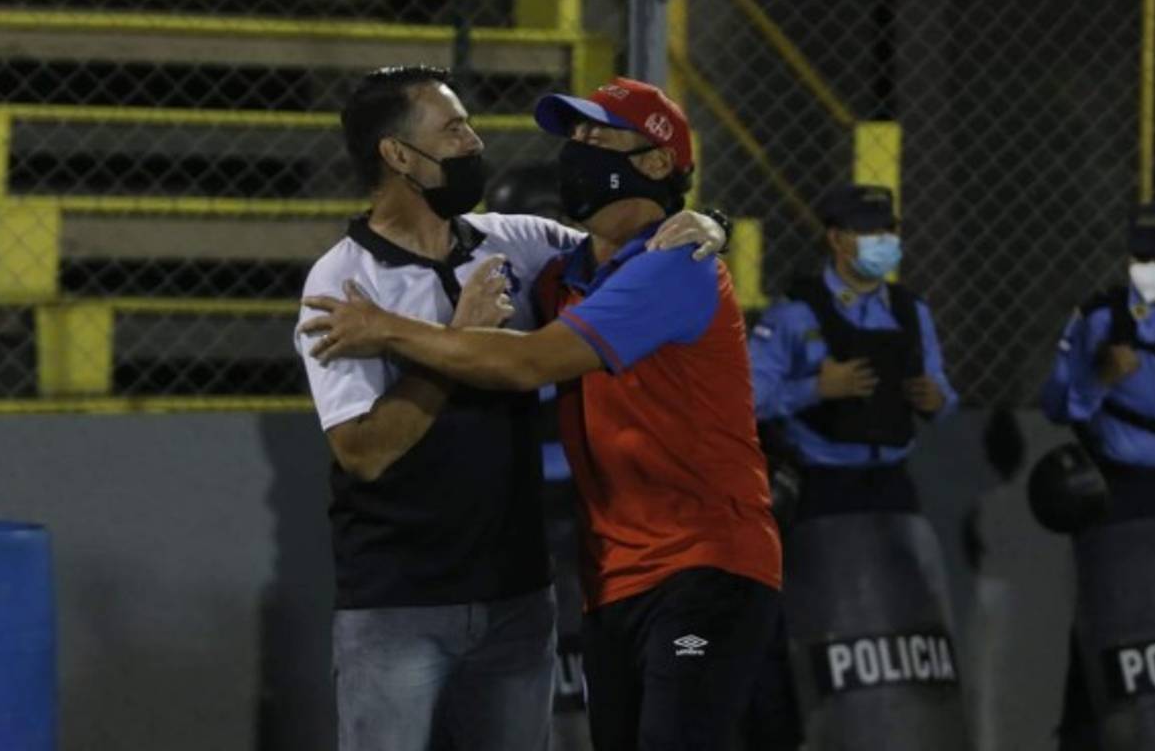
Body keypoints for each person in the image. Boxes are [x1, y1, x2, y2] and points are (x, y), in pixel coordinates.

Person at [300, 76, 789, 750]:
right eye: (576, 137)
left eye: (597, 136)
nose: (577, 151)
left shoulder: (670, 267)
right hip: (593, 581)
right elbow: (364, 450)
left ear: (650, 162)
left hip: (700, 570)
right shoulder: (563, 266)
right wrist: (711, 218)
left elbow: (528, 362)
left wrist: (390, 329)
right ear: (399, 155)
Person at [1040, 200, 1155, 750]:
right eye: (1139, 256)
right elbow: (1057, 405)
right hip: (1123, 494)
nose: (1147, 267)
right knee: (1114, 637)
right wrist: (1099, 377)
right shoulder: (1103, 317)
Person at [747, 184, 958, 521]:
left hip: (894, 485)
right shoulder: (794, 313)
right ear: (837, 239)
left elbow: (942, 390)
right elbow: (747, 401)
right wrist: (815, 389)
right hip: (819, 486)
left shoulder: (911, 310)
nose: (882, 240)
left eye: (888, 230)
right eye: (867, 231)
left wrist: (937, 401)